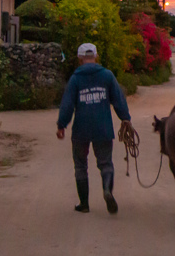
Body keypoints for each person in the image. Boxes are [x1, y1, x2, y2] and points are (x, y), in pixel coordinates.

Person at [56, 43, 132, 214]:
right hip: (103, 127)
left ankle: (84, 204)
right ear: (96, 56)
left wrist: (61, 125)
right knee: (105, 163)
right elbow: (118, 99)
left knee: (81, 165)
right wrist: (125, 118)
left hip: (81, 129)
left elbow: (67, 104)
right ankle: (107, 190)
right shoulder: (107, 76)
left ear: (80, 58)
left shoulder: (75, 79)